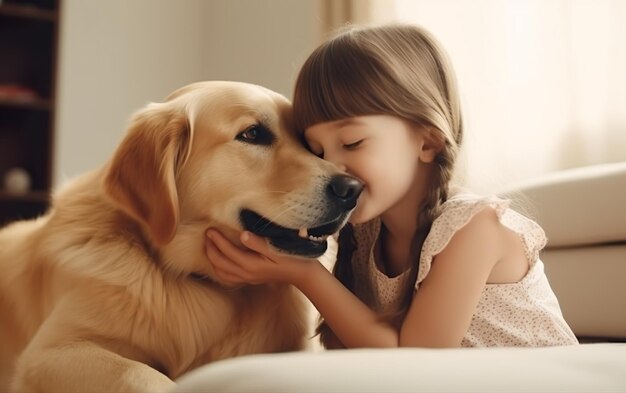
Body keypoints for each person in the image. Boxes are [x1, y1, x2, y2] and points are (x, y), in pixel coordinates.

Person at [204, 23, 578, 348]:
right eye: (316, 150)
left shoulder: (474, 228)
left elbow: (414, 358)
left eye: (352, 143)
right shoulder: (366, 234)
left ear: (427, 142)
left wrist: (303, 273)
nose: (330, 168)